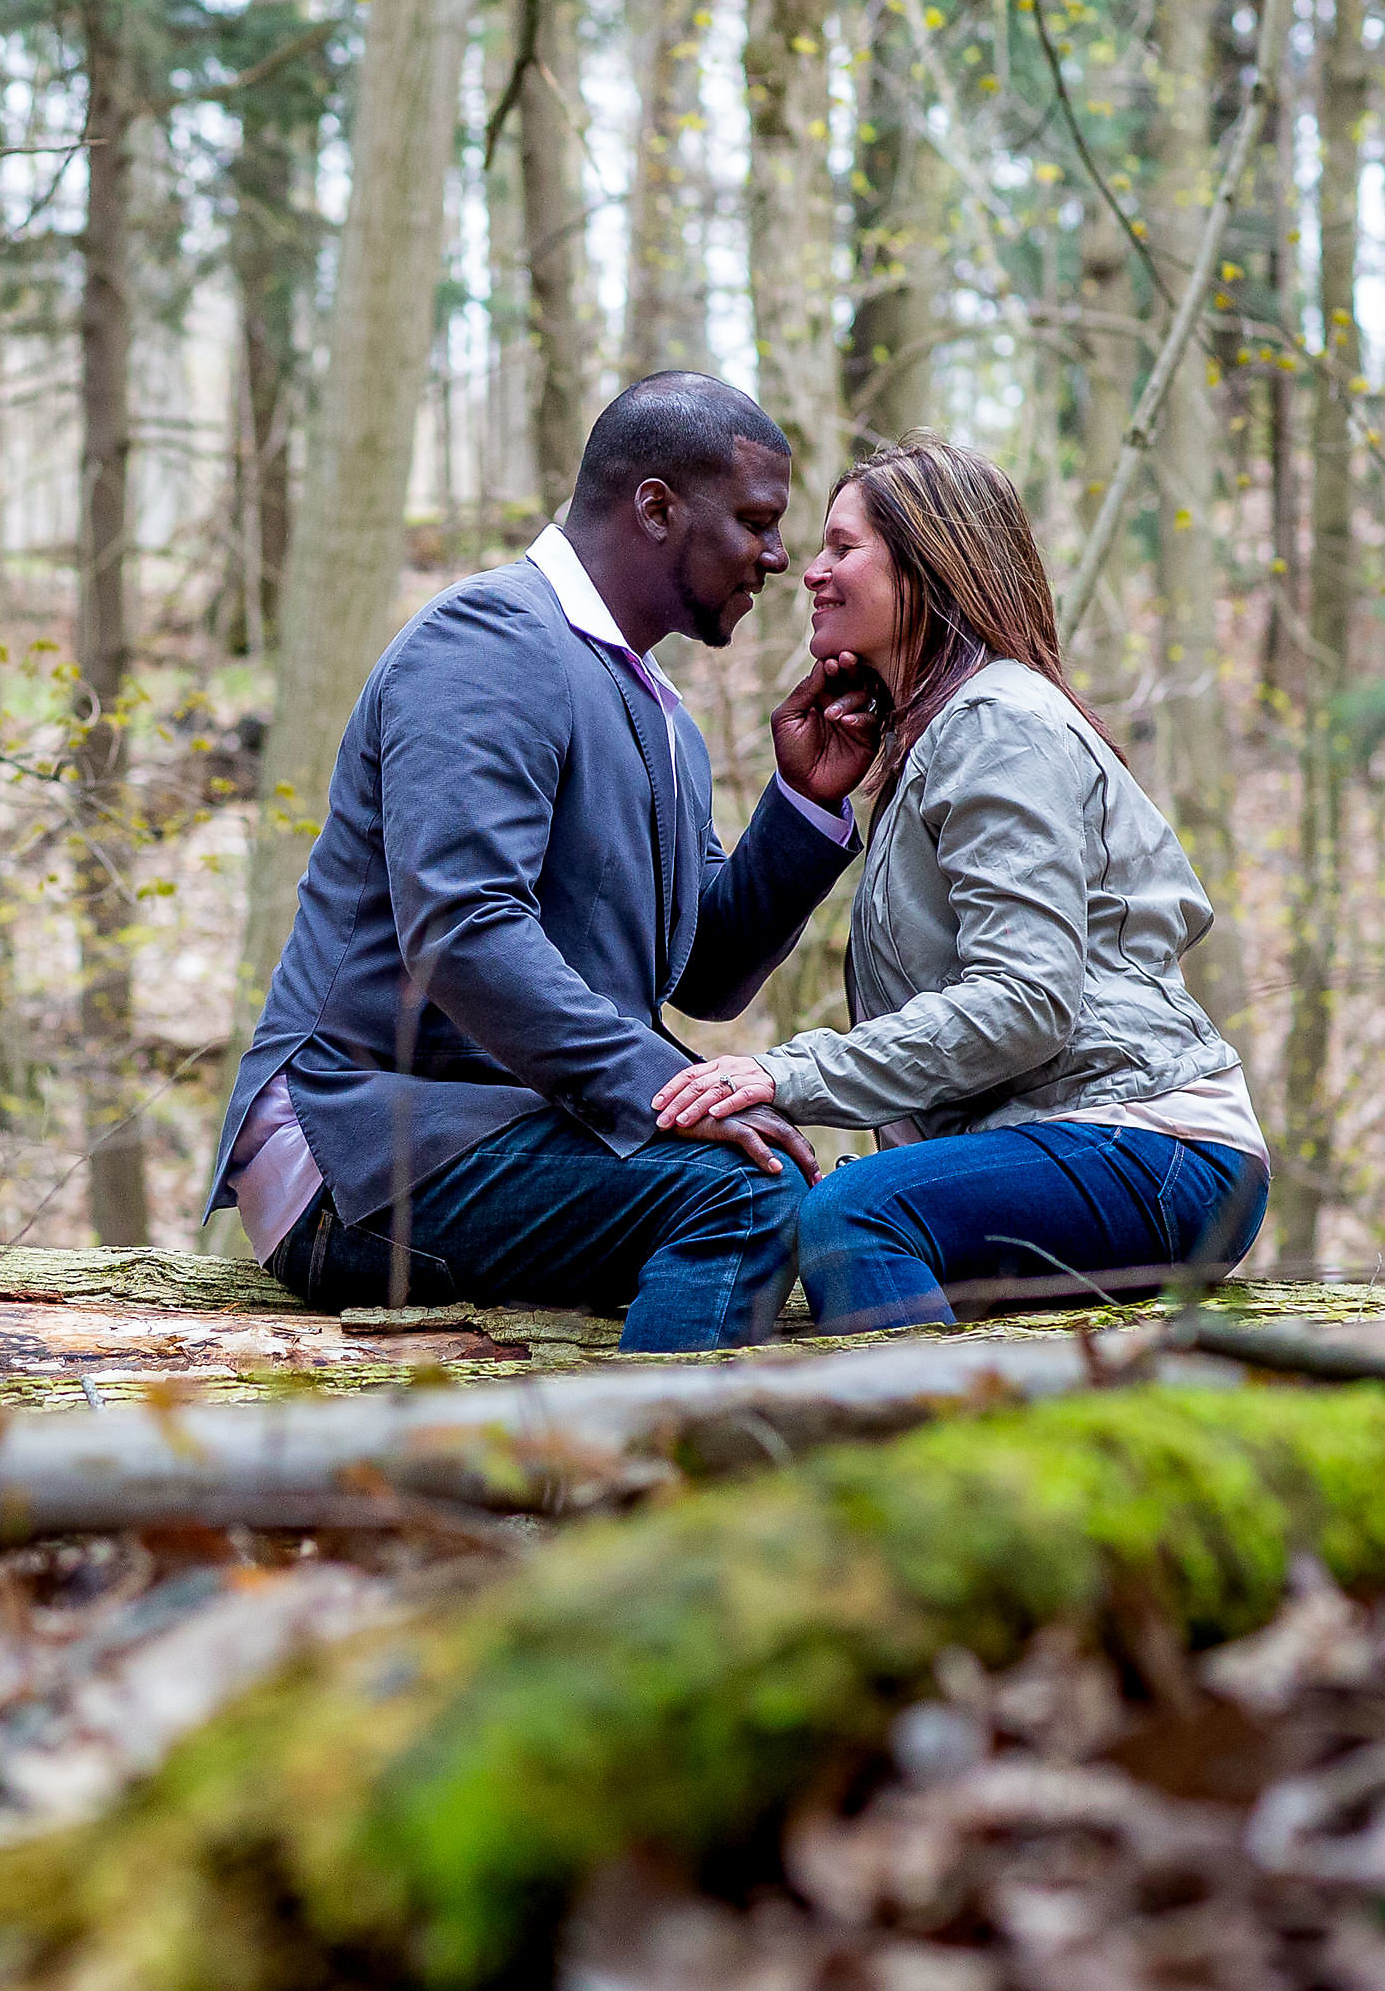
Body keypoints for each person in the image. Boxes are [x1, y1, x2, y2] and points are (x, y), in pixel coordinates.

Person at [208, 373, 883, 1350]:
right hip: (356, 1146)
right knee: (741, 1193)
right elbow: (463, 928)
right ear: (656, 507)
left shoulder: (657, 713)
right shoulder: (489, 642)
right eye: (755, 521)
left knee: (783, 1187)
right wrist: (668, 1097)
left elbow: (708, 971)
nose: (780, 558)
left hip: (489, 1129)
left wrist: (804, 806)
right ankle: (650, 1496)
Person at [651, 435, 1269, 1330]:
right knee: (858, 1200)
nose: (809, 571)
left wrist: (784, 1074)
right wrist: (809, 797)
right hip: (1099, 1143)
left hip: (1153, 1144)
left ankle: (934, 1465)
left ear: (929, 568)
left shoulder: (995, 723)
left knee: (858, 1213)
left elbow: (1024, 1001)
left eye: (843, 546)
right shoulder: (942, 738)